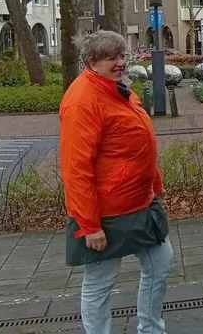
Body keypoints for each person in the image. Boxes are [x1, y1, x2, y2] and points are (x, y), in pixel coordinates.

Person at [61, 31, 172, 334]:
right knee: (100, 283)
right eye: (112, 57)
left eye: (123, 55)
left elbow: (137, 144)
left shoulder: (120, 89)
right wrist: (89, 225)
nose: (121, 62)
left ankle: (151, 329)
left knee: (161, 263)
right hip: (107, 212)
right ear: (92, 62)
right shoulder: (83, 101)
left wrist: (155, 183)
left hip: (140, 203)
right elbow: (76, 167)